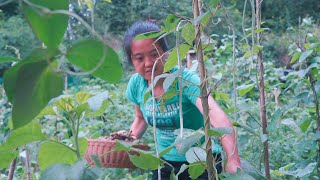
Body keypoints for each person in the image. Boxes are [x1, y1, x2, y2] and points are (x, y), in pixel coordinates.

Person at [123, 21, 241, 179]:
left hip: (201, 160)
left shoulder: (185, 80)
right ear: (132, 61)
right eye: (139, 58)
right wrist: (124, 141)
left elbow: (218, 119)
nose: (149, 63)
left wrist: (233, 159)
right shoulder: (136, 84)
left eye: (154, 54)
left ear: (166, 53)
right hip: (164, 162)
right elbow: (140, 119)